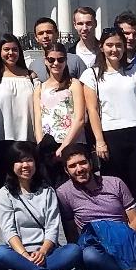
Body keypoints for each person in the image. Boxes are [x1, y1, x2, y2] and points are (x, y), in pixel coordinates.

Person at [81, 28, 136, 228]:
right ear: (102, 47)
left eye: (119, 45)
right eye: (110, 45)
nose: (115, 50)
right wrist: (99, 141)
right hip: (111, 136)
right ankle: (122, 237)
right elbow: (93, 110)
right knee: (116, 192)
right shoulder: (92, 75)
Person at [0, 141, 85, 270]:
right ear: (11, 165)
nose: (25, 166)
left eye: (29, 160)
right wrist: (25, 256)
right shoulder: (6, 193)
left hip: (47, 253)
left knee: (74, 250)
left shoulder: (47, 191)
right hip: (18, 253)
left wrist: (42, 252)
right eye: (19, 162)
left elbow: (52, 228)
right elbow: (8, 231)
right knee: (0, 252)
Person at [32, 42, 86, 187]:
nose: (56, 63)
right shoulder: (39, 88)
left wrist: (63, 147)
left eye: (60, 59)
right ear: (45, 60)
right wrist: (40, 145)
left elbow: (80, 118)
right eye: (51, 60)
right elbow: (38, 119)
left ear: (66, 61)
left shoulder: (74, 84)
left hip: (72, 144)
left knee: (75, 189)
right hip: (48, 146)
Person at [0, 35, 37, 187]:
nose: (11, 53)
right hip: (3, 139)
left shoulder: (29, 76)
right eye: (6, 49)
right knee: (5, 185)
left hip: (28, 138)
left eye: (15, 49)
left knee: (29, 185)